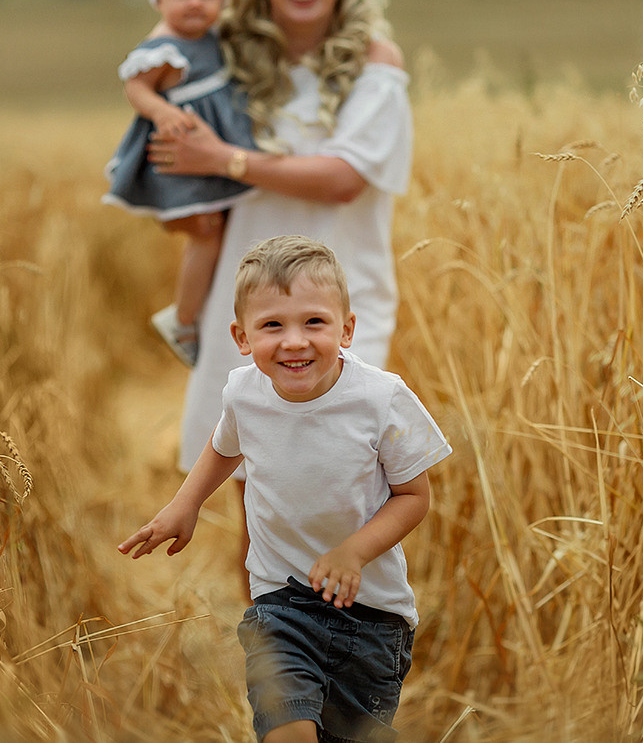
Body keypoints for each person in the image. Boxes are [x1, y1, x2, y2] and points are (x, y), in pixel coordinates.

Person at [146, 0, 414, 594]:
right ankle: (275, 685)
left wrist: (224, 158)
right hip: (252, 304)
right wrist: (188, 191)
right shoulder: (226, 58)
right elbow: (155, 97)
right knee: (256, 502)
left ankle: (351, 669)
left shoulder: (374, 63)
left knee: (345, 491)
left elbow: (342, 177)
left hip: (342, 305)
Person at [119, 236, 451, 743]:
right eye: (272, 325)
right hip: (281, 599)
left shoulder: (381, 400)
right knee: (287, 730)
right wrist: (184, 505)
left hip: (372, 615)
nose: (294, 341)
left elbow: (414, 497)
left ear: (347, 328)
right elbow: (224, 446)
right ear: (242, 336)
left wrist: (352, 554)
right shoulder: (243, 392)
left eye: (313, 322)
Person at [102, 0, 256, 366]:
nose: (195, 4)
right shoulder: (162, 46)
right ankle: (184, 320)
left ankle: (203, 310)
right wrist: (162, 110)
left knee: (220, 228)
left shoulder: (210, 36)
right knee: (205, 230)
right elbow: (135, 87)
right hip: (183, 152)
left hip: (211, 147)